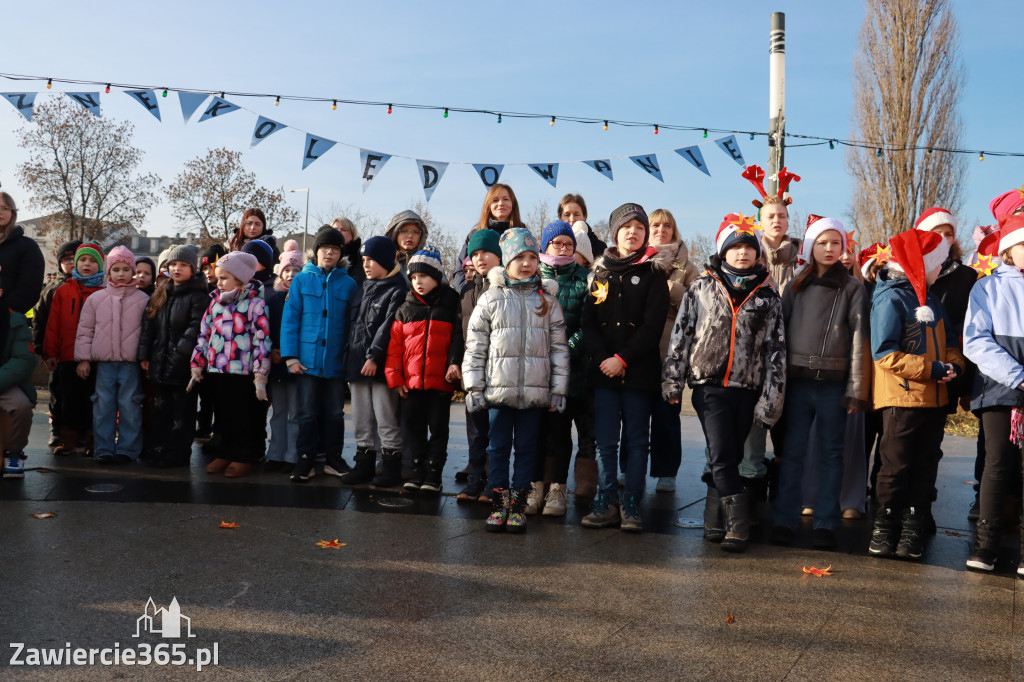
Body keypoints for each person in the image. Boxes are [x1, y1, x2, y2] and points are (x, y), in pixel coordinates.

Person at [662, 213, 786, 552]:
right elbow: (681, 336)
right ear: (723, 251)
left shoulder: (768, 297)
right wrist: (672, 381)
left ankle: (713, 517)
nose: (743, 253)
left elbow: (776, 351)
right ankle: (739, 523)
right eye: (736, 247)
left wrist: (772, 399)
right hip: (709, 385)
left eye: (749, 247)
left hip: (748, 388)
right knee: (719, 452)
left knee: (728, 454)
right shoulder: (700, 288)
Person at [770, 217, 870, 549]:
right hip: (797, 384)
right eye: (823, 243)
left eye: (836, 243)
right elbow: (779, 336)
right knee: (792, 452)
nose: (830, 249)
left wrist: (857, 388)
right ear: (811, 246)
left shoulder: (854, 288)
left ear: (844, 247)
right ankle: (784, 518)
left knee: (832, 454)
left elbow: (859, 340)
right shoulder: (795, 285)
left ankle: (826, 523)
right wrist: (777, 382)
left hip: (833, 385)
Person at [462, 228, 569, 533]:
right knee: (497, 448)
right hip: (498, 392)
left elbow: (559, 349)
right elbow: (476, 346)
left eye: (532, 257)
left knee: (526, 449)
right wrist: (474, 386)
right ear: (507, 260)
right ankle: (498, 504)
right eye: (519, 257)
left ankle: (518, 506)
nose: (526, 263)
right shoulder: (491, 299)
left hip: (535, 393)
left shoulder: (547, 301)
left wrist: (558, 390)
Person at [868, 229, 964, 561]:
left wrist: (954, 366)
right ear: (921, 266)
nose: (943, 269)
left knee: (925, 466)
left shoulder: (932, 300)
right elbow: (884, 354)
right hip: (902, 399)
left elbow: (951, 343)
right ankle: (885, 524)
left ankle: (912, 526)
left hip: (934, 400)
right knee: (895, 465)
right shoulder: (891, 297)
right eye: (938, 264)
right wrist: (934, 369)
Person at [581, 203, 670, 533]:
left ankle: (632, 502)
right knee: (605, 442)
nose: (633, 232)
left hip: (639, 373)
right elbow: (587, 322)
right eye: (626, 226)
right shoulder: (599, 272)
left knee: (636, 441)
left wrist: (623, 359)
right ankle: (605, 500)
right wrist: (604, 358)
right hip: (602, 374)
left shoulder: (653, 273)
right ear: (614, 232)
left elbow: (652, 325)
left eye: (639, 227)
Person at [738, 165, 802, 513]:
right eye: (770, 216)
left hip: (792, 351)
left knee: (787, 427)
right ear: (759, 221)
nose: (776, 220)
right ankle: (750, 489)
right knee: (751, 424)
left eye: (781, 215)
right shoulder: (747, 254)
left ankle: (784, 494)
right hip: (753, 355)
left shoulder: (803, 258)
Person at [963, 213, 1024, 574]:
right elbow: (976, 340)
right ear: (1008, 250)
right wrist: (1017, 376)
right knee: (997, 464)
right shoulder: (988, 286)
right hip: (999, 387)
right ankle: (986, 545)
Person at [281, 226, 360, 482]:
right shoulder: (302, 280)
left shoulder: (348, 283)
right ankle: (306, 458)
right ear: (316, 252)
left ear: (341, 253)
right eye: (325, 248)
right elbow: (290, 319)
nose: (329, 252)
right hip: (306, 362)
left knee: (335, 412)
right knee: (306, 412)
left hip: (336, 363)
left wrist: (350, 360)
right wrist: (290, 356)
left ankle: (333, 458)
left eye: (335, 249)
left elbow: (352, 325)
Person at [385, 246, 464, 492]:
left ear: (437, 277)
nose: (418, 282)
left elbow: (457, 339)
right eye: (414, 277)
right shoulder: (405, 308)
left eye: (425, 276)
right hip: (411, 384)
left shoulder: (450, 304)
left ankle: (433, 475)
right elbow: (395, 348)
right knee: (414, 429)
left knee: (439, 430)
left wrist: (454, 363)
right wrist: (395, 378)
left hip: (440, 383)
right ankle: (417, 471)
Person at [528, 221, 592, 516]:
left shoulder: (584, 279)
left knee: (559, 431)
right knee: (535, 431)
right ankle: (534, 485)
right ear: (545, 246)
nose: (563, 248)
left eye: (568, 244)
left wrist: (564, 350)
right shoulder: (531, 276)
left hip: (570, 370)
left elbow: (588, 324)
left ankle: (557, 489)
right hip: (533, 368)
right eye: (557, 243)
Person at [189, 251, 271, 478]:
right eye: (218, 277)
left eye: (225, 277)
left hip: (243, 372)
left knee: (242, 416)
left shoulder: (255, 304)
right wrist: (197, 362)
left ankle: (244, 456)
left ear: (240, 278)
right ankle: (225, 452)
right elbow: (204, 335)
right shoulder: (215, 301)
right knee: (222, 414)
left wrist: (260, 375)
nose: (219, 282)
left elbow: (262, 340)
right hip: (217, 369)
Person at [74, 246, 150, 464]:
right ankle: (104, 448)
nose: (120, 274)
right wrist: (84, 359)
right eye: (115, 269)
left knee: (131, 406)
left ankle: (128, 449)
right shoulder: (96, 299)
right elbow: (85, 330)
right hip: (105, 365)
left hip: (130, 364)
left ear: (132, 271)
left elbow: (147, 333)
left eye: (126, 269)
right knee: (103, 406)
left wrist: (145, 357)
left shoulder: (143, 299)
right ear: (108, 272)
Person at [344, 236, 408, 487]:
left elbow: (388, 327)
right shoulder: (363, 286)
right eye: (363, 260)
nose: (366, 264)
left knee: (385, 416)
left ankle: (391, 465)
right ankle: (364, 464)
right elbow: (354, 325)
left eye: (371, 260)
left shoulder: (397, 290)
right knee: (360, 417)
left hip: (379, 367)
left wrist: (373, 356)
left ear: (384, 259)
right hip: (356, 365)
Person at [648, 209, 699, 493]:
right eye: (655, 225)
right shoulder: (639, 261)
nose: (661, 229)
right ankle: (626, 468)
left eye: (667, 225)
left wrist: (673, 291)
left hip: (672, 354)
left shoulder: (688, 268)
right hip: (640, 352)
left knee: (667, 416)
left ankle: (667, 472)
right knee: (635, 417)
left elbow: (699, 307)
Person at [43, 243, 105, 456]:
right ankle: (68, 440)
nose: (86, 264)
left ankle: (91, 441)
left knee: (92, 400)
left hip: (95, 358)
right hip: (67, 356)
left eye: (92, 261)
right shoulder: (63, 291)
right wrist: (50, 352)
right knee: (68, 400)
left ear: (100, 265)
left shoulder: (104, 292)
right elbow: (53, 324)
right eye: (82, 260)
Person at [456, 229, 502, 503]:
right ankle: (475, 478)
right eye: (474, 254)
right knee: (475, 430)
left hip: (497, 372)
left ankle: (493, 482)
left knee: (495, 432)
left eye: (485, 252)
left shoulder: (504, 287)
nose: (480, 258)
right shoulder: (467, 289)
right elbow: (458, 330)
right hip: (472, 371)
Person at [32, 239, 81, 449]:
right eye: (66, 259)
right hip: (58, 354)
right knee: (58, 394)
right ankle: (58, 431)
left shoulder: (94, 286)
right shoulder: (52, 289)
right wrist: (42, 350)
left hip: (85, 354)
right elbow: (39, 321)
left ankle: (80, 432)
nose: (71, 263)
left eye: (75, 259)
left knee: (82, 395)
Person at [264, 241, 303, 473]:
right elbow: (264, 329)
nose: (290, 274)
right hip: (277, 364)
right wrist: (271, 350)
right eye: (287, 270)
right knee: (278, 411)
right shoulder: (272, 301)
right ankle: (276, 454)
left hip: (297, 364)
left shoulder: (306, 299)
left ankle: (292, 455)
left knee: (296, 412)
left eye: (296, 270)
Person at [452, 183, 525, 293]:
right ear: (488, 206)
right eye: (495, 200)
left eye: (506, 199)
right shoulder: (475, 235)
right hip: (478, 297)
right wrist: (468, 294)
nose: (501, 203)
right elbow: (459, 271)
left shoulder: (522, 233)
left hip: (514, 297)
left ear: (513, 204)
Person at [0, 302, 37, 479]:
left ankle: (13, 454)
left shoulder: (15, 320)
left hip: (5, 379)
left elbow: (24, 359)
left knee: (20, 406)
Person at [0, 192, 45, 315]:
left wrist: (6, 311)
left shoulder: (27, 246)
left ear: (13, 213)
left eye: (5, 208)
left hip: (7, 322)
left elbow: (30, 288)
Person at [557, 193, 607, 263]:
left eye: (576, 214)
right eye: (567, 215)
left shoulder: (599, 247)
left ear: (584, 216)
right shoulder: (551, 244)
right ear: (560, 218)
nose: (572, 219)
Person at [384, 211, 428, 280]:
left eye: (416, 232)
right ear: (395, 233)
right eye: (404, 231)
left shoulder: (427, 262)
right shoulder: (383, 262)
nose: (410, 235)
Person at [332, 217, 366, 285]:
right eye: (335, 229)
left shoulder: (361, 256)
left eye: (343, 230)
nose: (338, 232)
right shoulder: (323, 255)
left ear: (352, 235)